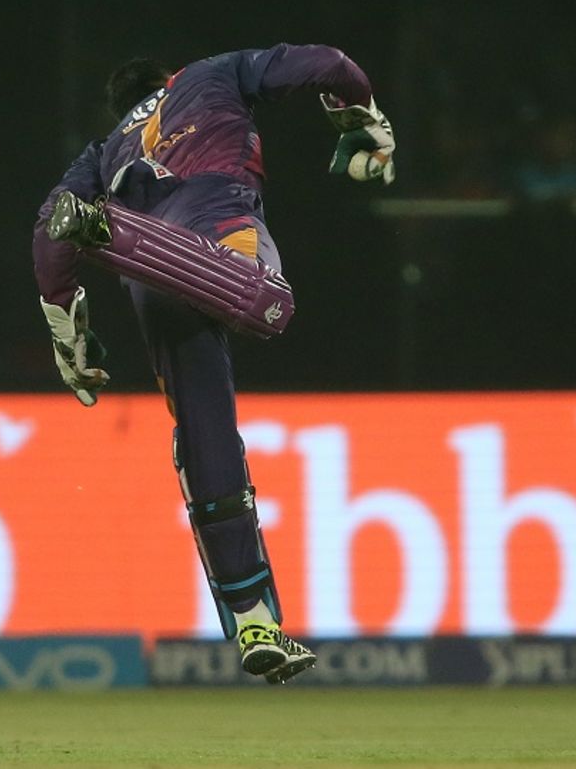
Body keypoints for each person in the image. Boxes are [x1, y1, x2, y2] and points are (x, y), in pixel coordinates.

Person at [31, 44, 395, 683]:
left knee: (206, 439)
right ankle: (114, 235)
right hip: (216, 218)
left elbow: (45, 231)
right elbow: (329, 62)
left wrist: (65, 326)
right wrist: (360, 112)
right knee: (269, 306)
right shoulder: (209, 74)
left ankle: (254, 617)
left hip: (150, 280)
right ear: (168, 79)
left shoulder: (102, 150)